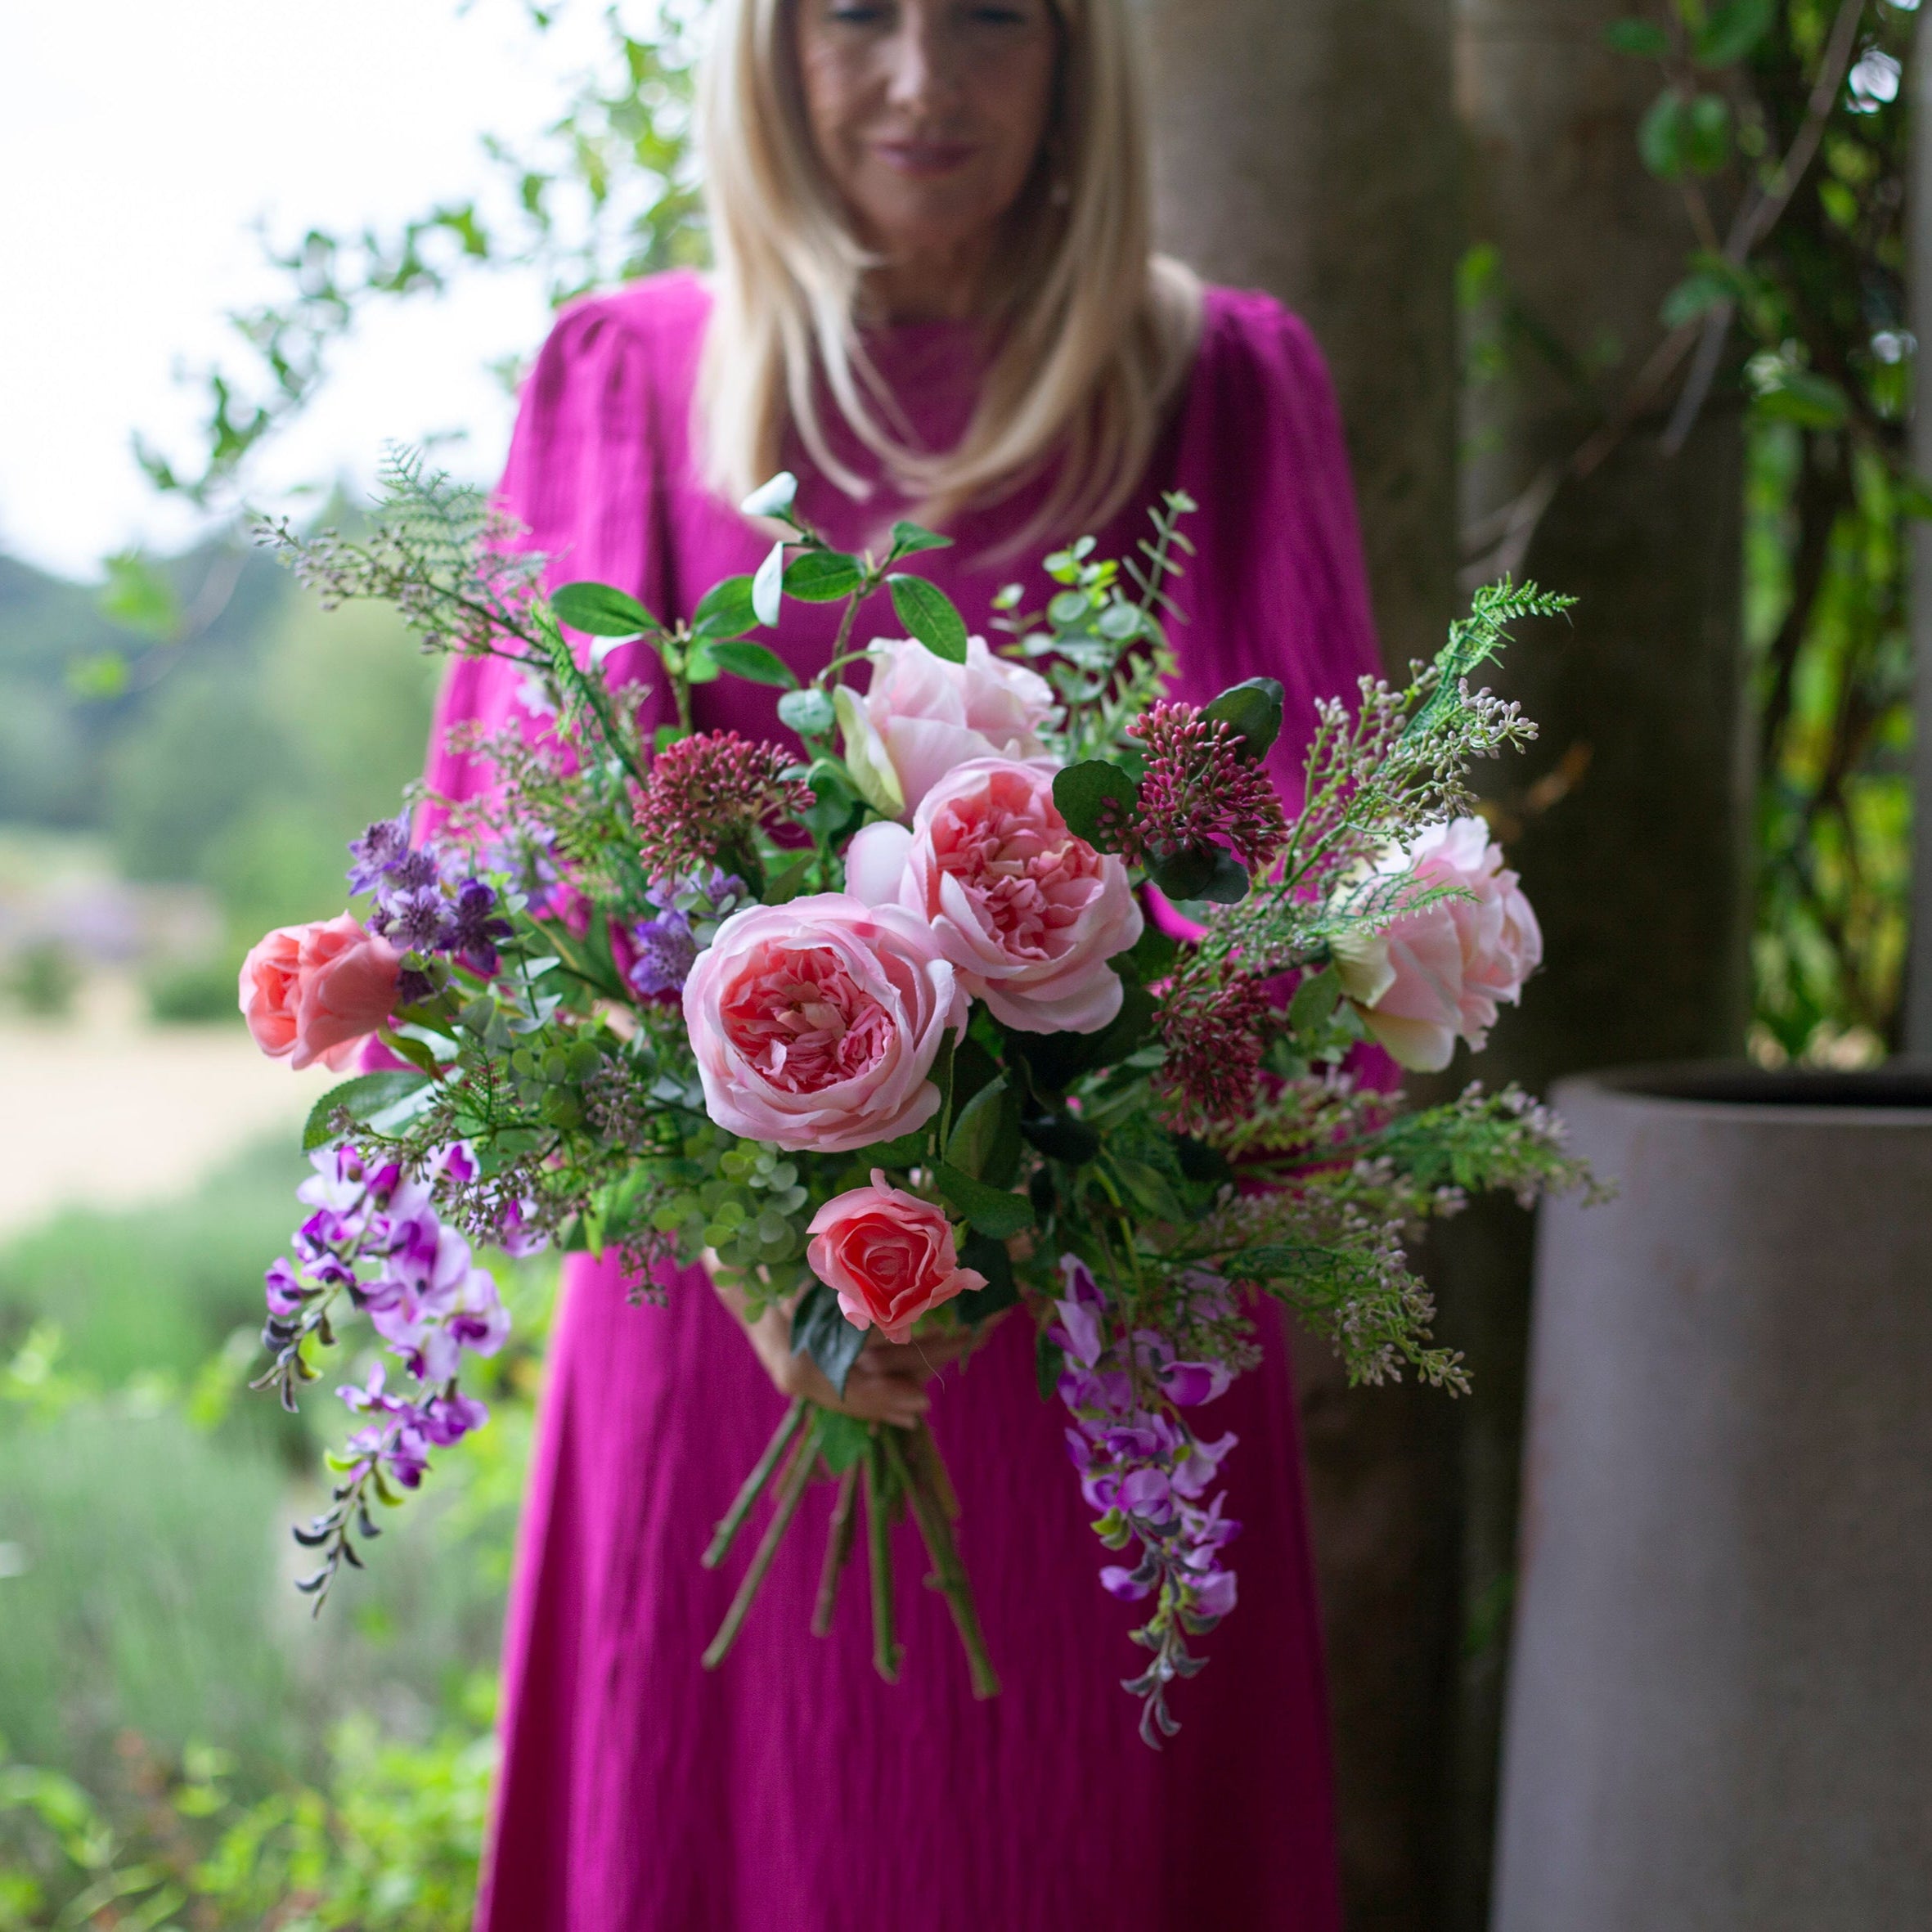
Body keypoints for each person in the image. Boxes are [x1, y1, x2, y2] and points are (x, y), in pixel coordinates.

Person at [437, 2, 1382, 1925]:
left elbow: (1318, 904)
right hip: (727, 1356)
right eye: (853, 11)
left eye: (990, 18)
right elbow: (520, 889)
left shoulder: (1221, 382)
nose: (919, 81)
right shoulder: (631, 374)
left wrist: (1037, 1197)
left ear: (1077, 53)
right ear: (761, 50)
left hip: (1114, 1375)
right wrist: (752, 1247)